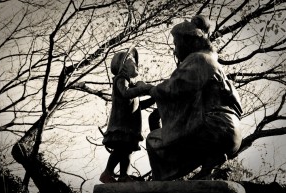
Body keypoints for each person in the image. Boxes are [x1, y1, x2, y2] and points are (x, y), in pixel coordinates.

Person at [146, 15, 243, 181]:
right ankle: (209, 165)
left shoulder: (200, 59)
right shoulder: (211, 62)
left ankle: (162, 181)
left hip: (213, 126)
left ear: (187, 41)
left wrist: (149, 89)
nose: (175, 50)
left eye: (176, 44)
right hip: (230, 131)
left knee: (154, 140)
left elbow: (174, 88)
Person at [100, 47, 154, 183]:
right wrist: (143, 88)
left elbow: (138, 106)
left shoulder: (132, 86)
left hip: (130, 127)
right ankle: (107, 173)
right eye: (131, 61)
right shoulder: (121, 79)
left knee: (127, 150)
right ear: (123, 66)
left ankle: (124, 175)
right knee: (120, 149)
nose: (136, 64)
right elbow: (125, 93)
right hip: (121, 125)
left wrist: (154, 97)